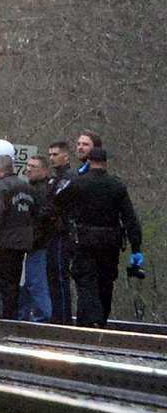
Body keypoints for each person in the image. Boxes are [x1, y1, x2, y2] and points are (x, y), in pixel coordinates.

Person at [55, 148, 143, 327]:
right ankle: (101, 320)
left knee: (86, 281)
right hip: (110, 242)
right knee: (106, 281)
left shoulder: (79, 183)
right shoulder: (117, 185)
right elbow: (130, 218)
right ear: (105, 162)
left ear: (88, 161)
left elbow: (58, 199)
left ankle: (91, 321)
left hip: (84, 240)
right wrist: (136, 248)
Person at [0, 140, 38, 320]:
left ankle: (2, 321)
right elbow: (35, 214)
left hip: (1, 245)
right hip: (20, 245)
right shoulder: (26, 187)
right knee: (13, 285)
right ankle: (11, 319)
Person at [18, 156, 53, 322]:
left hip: (39, 245)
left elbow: (41, 219)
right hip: (33, 244)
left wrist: (32, 238)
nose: (29, 169)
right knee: (29, 284)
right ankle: (22, 316)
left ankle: (42, 319)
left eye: (34, 166)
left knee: (36, 283)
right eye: (28, 166)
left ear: (45, 171)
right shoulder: (32, 189)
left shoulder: (42, 192)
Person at [44, 140, 75, 323]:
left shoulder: (69, 179)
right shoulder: (54, 180)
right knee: (53, 275)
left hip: (63, 233)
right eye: (50, 155)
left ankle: (63, 318)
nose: (52, 158)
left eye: (55, 155)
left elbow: (55, 204)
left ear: (65, 155)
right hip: (53, 232)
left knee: (60, 275)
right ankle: (58, 316)